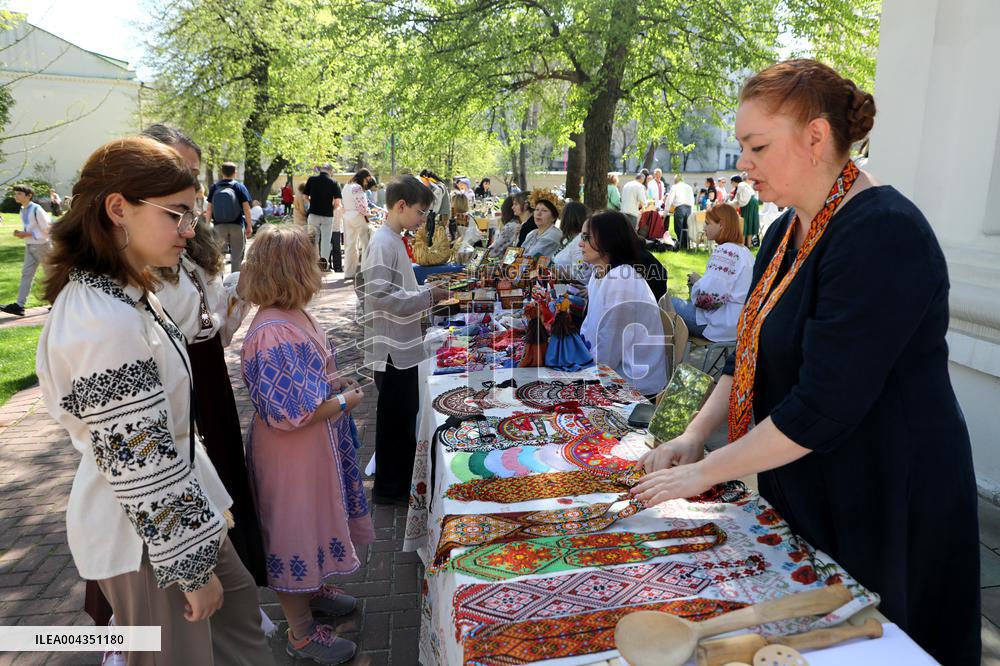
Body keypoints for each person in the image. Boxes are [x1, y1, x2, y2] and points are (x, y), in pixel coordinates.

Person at [632, 59, 980, 665]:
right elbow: (751, 350)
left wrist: (705, 474)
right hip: (814, 475)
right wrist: (694, 436)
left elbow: (824, 405)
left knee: (874, 639)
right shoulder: (785, 230)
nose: (744, 162)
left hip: (884, 487)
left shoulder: (882, 233)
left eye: (757, 145)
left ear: (816, 138)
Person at [36, 136, 272, 665]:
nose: (190, 231)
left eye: (193, 214)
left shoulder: (121, 292)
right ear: (118, 208)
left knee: (242, 638)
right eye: (177, 214)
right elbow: (137, 455)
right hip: (147, 539)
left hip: (177, 513)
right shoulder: (102, 317)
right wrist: (190, 569)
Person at [240, 224, 373, 664]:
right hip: (290, 454)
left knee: (312, 519)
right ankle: (299, 633)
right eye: (310, 259)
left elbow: (312, 378)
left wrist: (337, 385)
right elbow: (289, 413)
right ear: (291, 269)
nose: (319, 265)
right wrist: (344, 399)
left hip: (310, 447)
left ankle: (313, 591)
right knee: (292, 531)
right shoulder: (274, 330)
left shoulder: (294, 313)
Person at [361, 176, 449, 505]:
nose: (423, 219)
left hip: (401, 345)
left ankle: (397, 483)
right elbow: (380, 295)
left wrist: (423, 301)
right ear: (401, 206)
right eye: (420, 212)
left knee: (401, 417)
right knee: (394, 421)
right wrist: (428, 297)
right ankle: (389, 488)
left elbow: (398, 290)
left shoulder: (393, 238)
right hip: (391, 350)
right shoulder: (384, 242)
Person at [579, 210, 667, 397]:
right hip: (611, 371)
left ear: (608, 240)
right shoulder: (599, 273)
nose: (581, 243)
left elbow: (609, 350)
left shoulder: (620, 281)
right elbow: (589, 329)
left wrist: (580, 371)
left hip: (634, 383)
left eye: (587, 238)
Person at [670, 203, 753, 340]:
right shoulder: (745, 252)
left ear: (721, 225)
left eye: (707, 223)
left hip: (720, 325)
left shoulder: (725, 251)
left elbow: (708, 300)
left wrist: (697, 282)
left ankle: (665, 355)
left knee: (665, 302)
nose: (704, 227)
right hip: (740, 323)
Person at [1, 185, 50, 316]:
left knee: (51, 275)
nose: (16, 196)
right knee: (26, 274)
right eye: (15, 194)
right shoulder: (23, 209)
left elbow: (47, 229)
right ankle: (19, 306)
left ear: (29, 196)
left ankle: (58, 302)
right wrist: (24, 234)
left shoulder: (37, 209)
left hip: (42, 246)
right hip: (30, 246)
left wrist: (26, 234)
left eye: (19, 194)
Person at [206, 162, 253, 273]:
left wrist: (208, 225)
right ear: (235, 173)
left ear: (222, 172)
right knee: (237, 256)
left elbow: (209, 208)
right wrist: (249, 225)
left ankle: (219, 280)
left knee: (219, 256)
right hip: (236, 225)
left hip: (219, 225)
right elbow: (246, 208)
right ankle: (234, 282)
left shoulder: (214, 187)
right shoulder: (239, 186)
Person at [304, 164, 344, 273]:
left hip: (313, 214)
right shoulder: (333, 182)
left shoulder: (311, 180)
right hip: (327, 215)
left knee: (313, 240)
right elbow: (337, 202)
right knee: (326, 241)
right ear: (330, 171)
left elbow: (305, 197)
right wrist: (331, 209)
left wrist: (312, 203)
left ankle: (312, 264)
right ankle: (324, 266)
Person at [343, 168, 373, 280]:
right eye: (367, 180)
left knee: (350, 246)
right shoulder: (357, 187)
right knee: (366, 244)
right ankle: (365, 272)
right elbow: (361, 205)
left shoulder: (347, 186)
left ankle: (348, 272)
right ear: (362, 177)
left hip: (347, 216)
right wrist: (368, 213)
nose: (367, 183)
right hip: (357, 216)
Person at [552, 201, 591, 282]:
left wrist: (554, 271)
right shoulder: (569, 238)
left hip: (570, 290)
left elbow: (581, 276)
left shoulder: (579, 240)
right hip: (559, 287)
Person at [665, 174, 695, 252]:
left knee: (678, 228)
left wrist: (666, 212)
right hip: (688, 208)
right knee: (686, 228)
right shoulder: (689, 187)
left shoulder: (674, 187)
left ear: (675, 180)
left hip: (679, 208)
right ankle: (686, 245)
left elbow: (669, 200)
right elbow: (692, 200)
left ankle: (680, 245)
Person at [730, 175, 760, 248]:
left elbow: (742, 200)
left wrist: (735, 204)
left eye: (731, 182)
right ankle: (748, 244)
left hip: (748, 204)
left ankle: (743, 244)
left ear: (734, 182)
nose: (731, 184)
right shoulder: (744, 185)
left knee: (745, 223)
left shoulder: (741, 185)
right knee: (749, 222)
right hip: (753, 203)